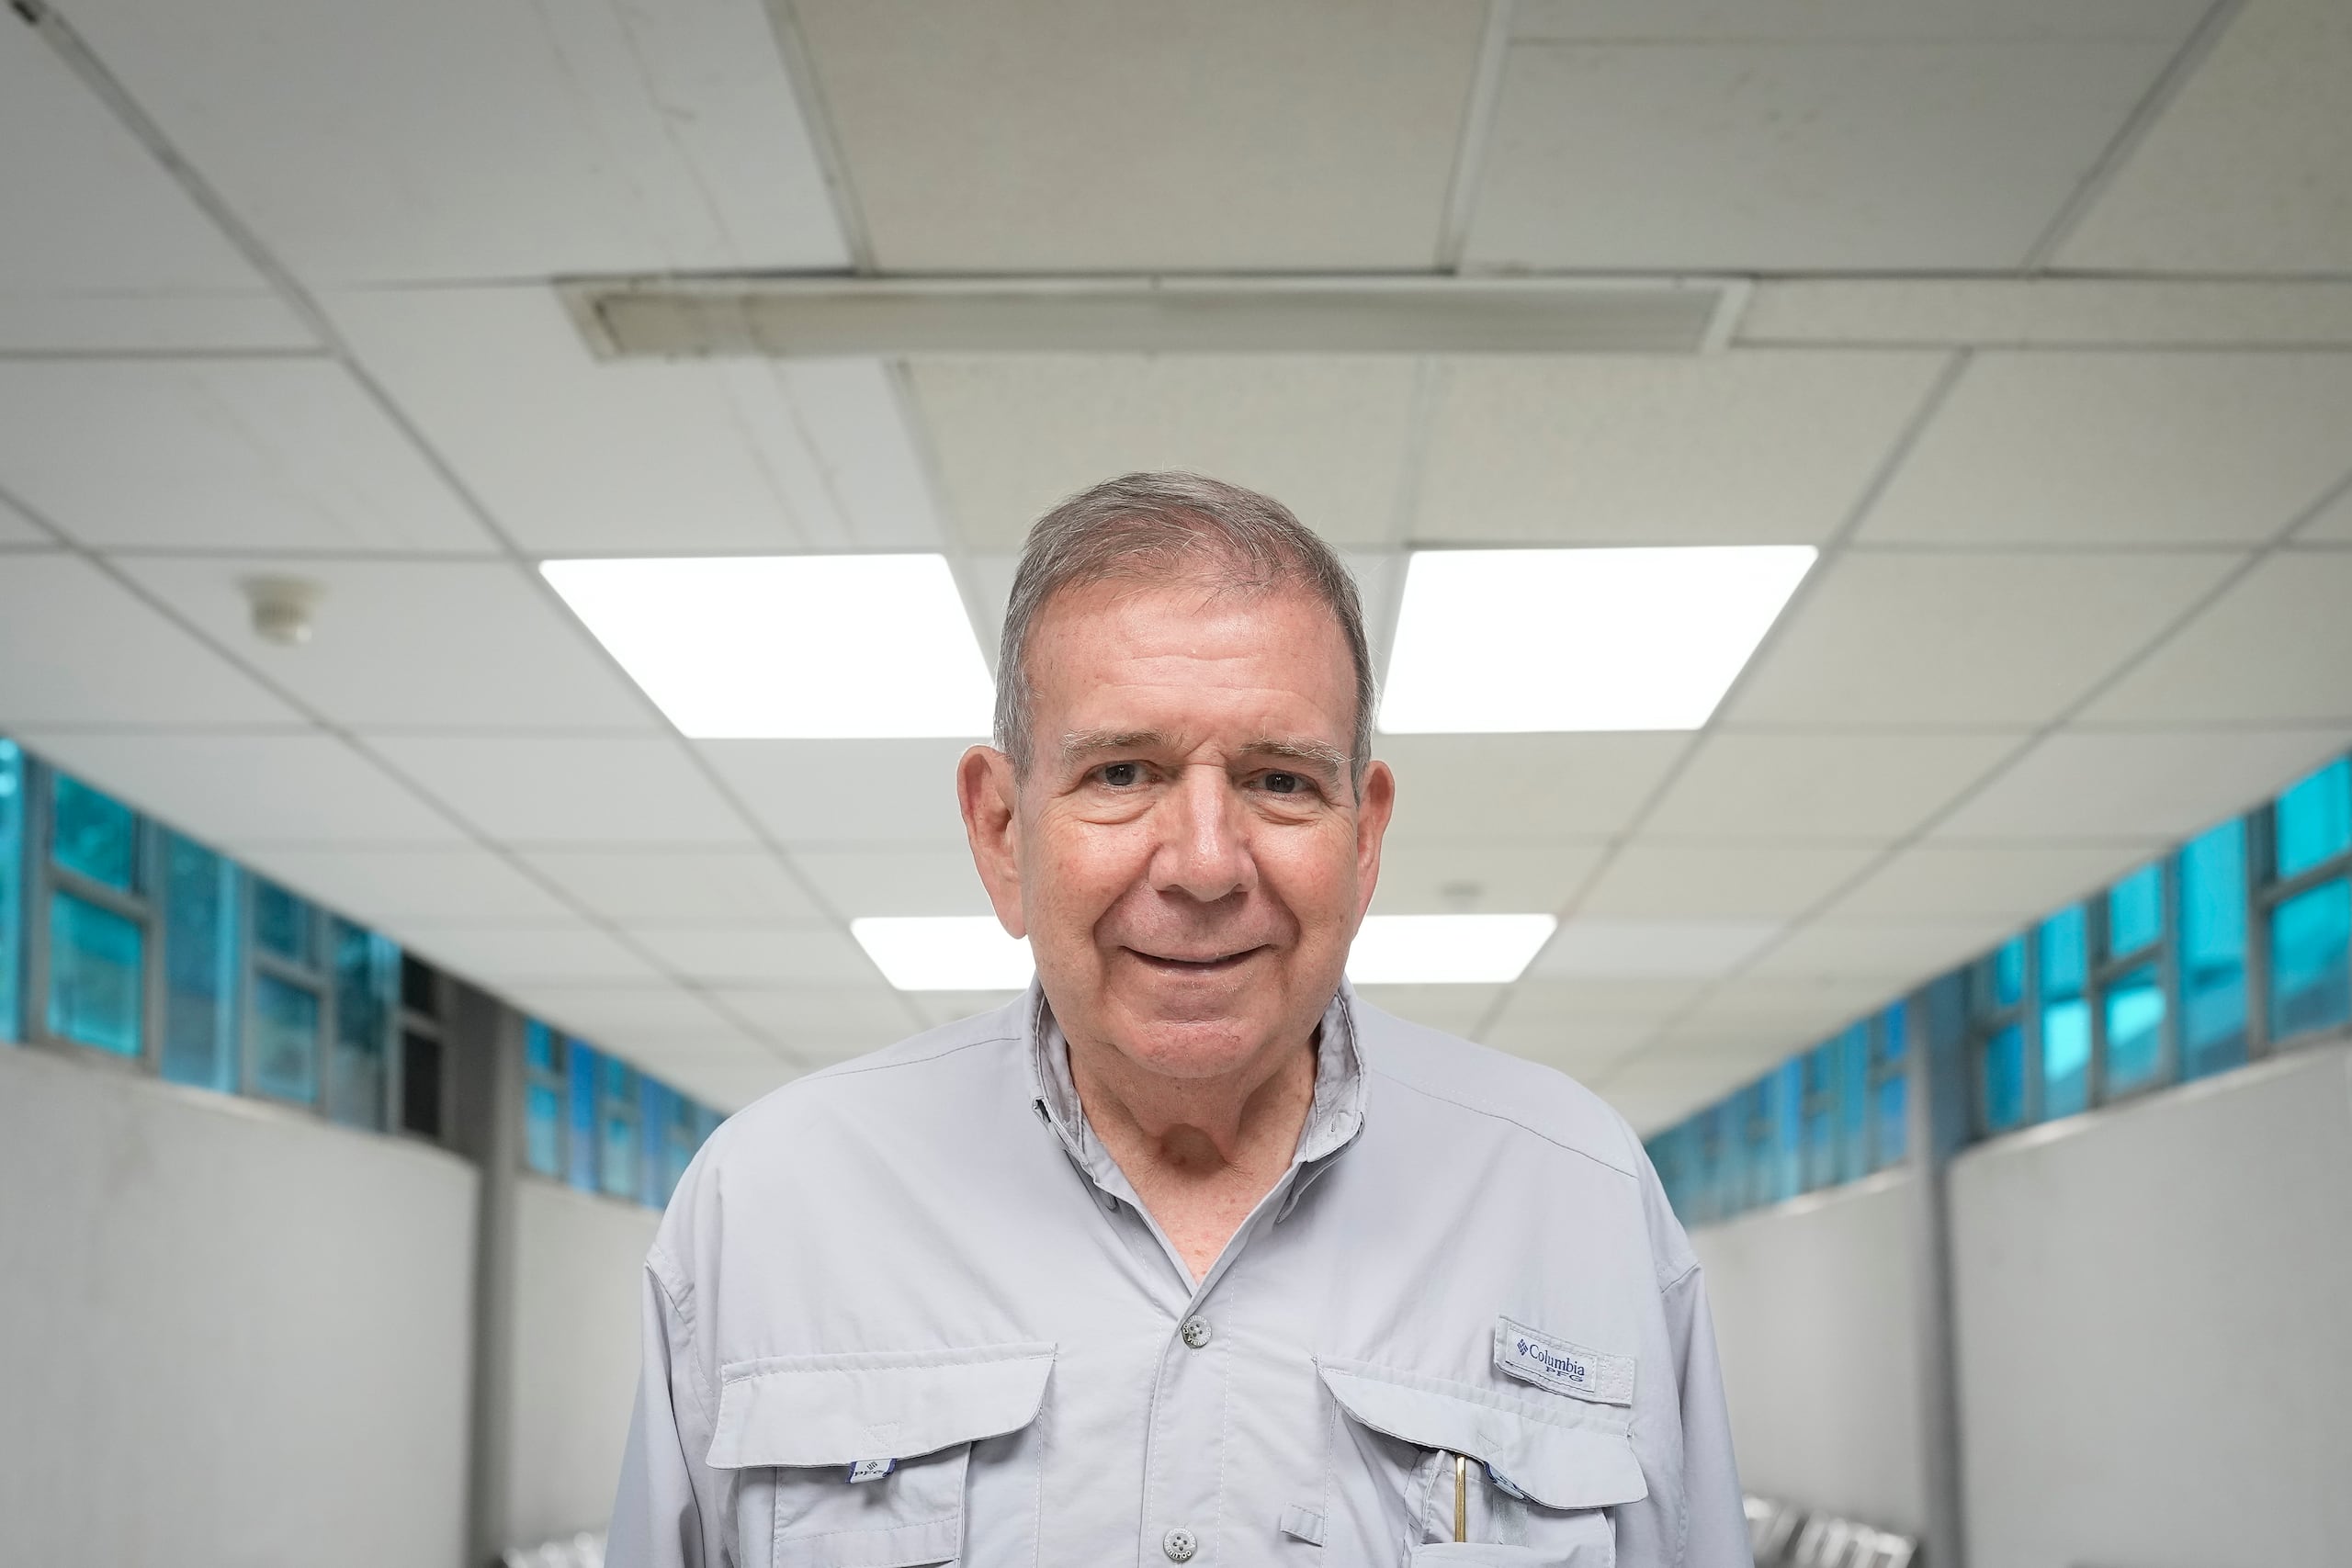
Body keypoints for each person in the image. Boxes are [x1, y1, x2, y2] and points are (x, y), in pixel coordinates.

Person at [608, 472, 1747, 1567]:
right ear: (1001, 831)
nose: (1205, 865)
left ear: (1364, 839)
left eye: (1280, 780)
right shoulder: (768, 1207)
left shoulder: (1578, 1198)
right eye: (1122, 772)